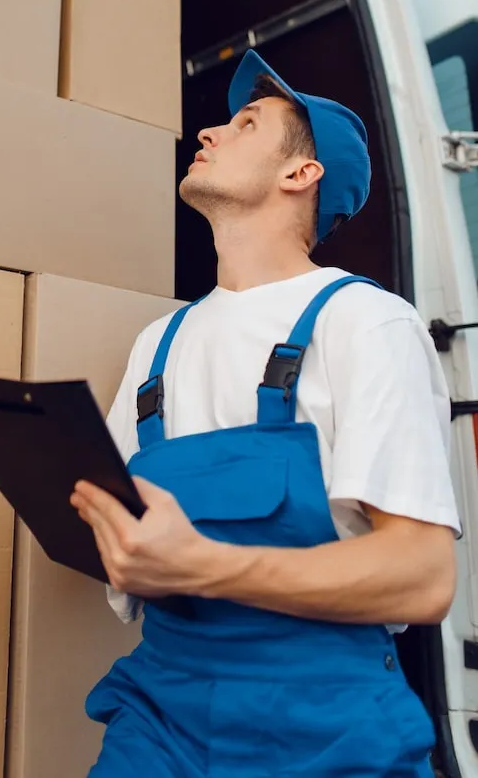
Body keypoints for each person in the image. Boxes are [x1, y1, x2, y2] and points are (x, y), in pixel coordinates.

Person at [71, 49, 460, 778]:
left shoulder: (366, 323)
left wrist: (208, 565)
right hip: (159, 711)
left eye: (245, 123)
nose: (209, 133)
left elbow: (423, 573)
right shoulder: (160, 343)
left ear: (299, 174)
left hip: (324, 724)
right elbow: (121, 536)